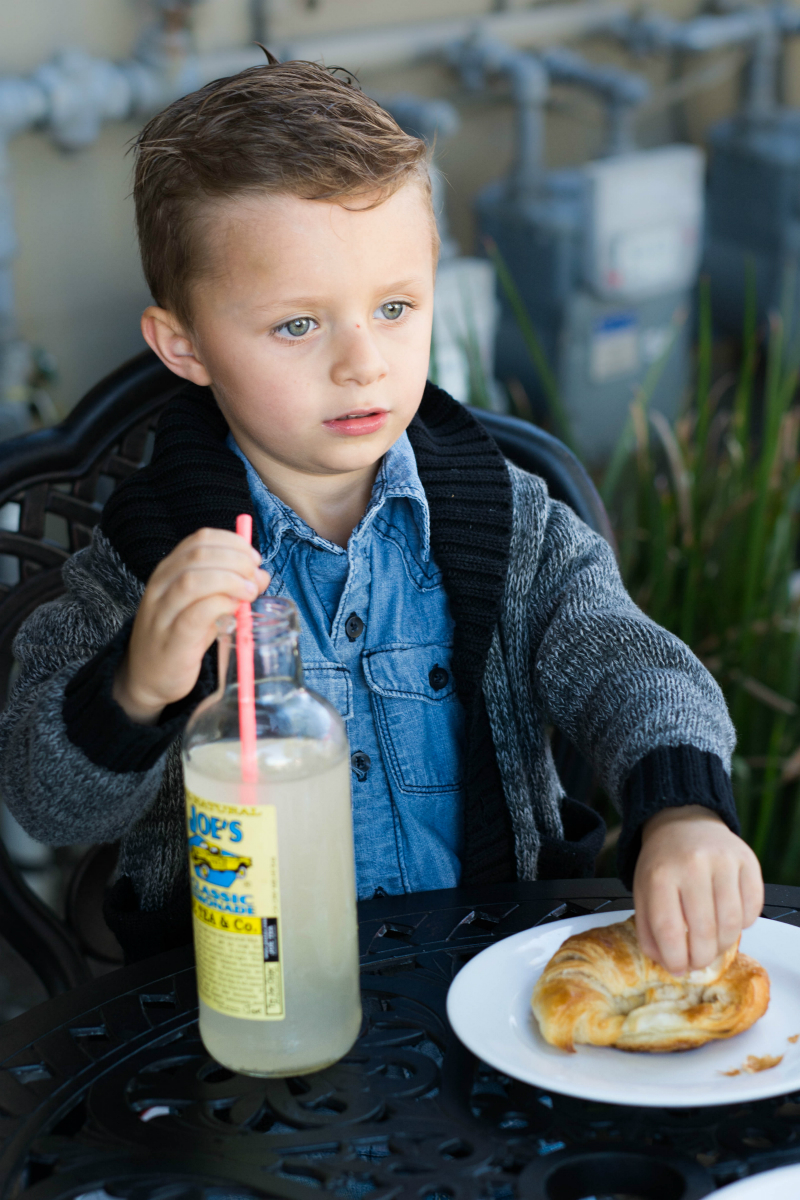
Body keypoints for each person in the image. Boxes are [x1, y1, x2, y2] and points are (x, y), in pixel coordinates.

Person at [0, 59, 762, 971]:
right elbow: (47, 802)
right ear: (185, 345)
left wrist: (682, 808)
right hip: (242, 1015)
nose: (362, 363)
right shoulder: (143, 560)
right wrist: (134, 690)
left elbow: (631, 667)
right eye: (298, 325)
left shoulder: (506, 526)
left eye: (395, 307)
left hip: (494, 971)